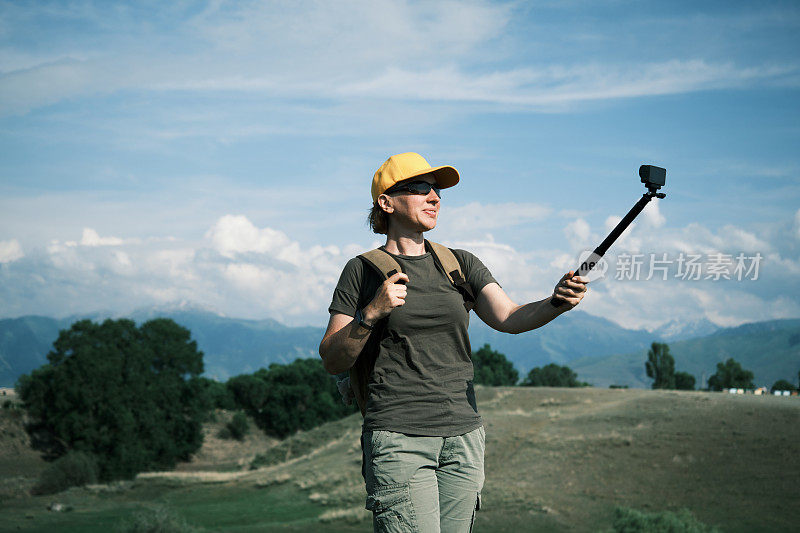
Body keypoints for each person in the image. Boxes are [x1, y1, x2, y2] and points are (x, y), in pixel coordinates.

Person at [318, 152, 588, 532]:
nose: (434, 197)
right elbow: (332, 359)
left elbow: (510, 317)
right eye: (419, 188)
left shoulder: (458, 263)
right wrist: (372, 312)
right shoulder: (361, 270)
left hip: (464, 437)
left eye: (437, 191)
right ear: (386, 202)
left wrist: (557, 302)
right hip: (399, 438)